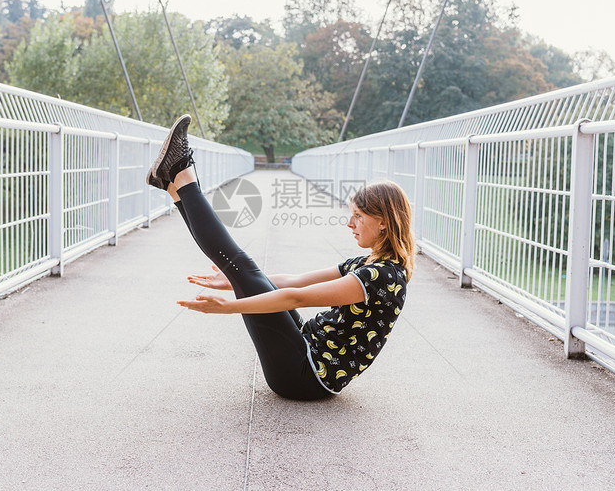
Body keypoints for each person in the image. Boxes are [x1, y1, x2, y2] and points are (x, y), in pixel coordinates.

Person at [148, 114, 415, 400]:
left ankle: (181, 175)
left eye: (359, 217)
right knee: (245, 271)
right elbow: (295, 282)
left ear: (384, 222)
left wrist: (228, 306)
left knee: (244, 267)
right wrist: (231, 282)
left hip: (303, 375)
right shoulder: (367, 265)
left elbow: (295, 298)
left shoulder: (383, 277)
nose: (350, 224)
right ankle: (174, 186)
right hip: (304, 353)